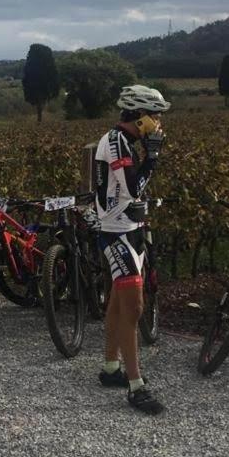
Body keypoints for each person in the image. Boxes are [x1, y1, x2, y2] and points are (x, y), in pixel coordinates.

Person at [93, 85, 170, 415]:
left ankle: (111, 368)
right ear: (139, 116)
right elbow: (133, 185)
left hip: (131, 228)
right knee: (134, 307)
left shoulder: (125, 141)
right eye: (154, 115)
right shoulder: (115, 143)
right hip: (116, 232)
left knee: (117, 304)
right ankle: (136, 386)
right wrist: (152, 156)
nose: (158, 121)